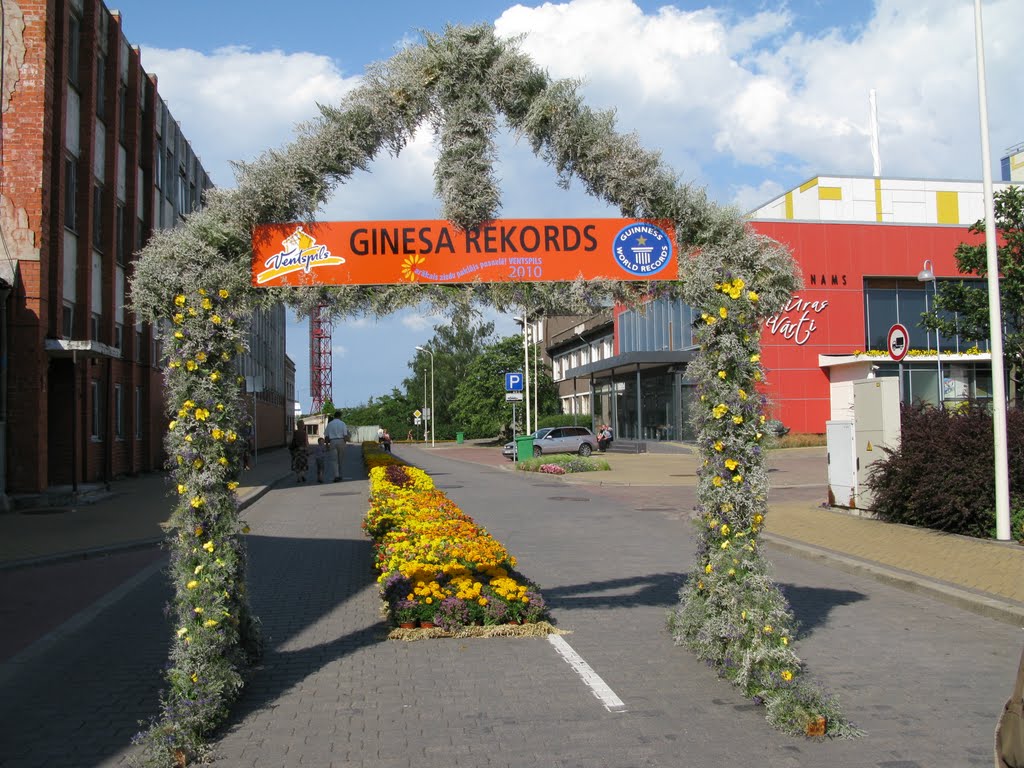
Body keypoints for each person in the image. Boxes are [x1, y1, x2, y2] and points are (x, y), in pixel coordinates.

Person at [324, 410, 349, 482]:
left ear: (334, 416)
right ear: (340, 416)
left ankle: (336, 476)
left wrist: (326, 445)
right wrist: (345, 443)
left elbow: (326, 436)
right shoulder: (343, 423)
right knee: (340, 459)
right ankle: (340, 475)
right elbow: (345, 435)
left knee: (334, 460)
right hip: (341, 441)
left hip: (332, 441)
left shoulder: (330, 424)